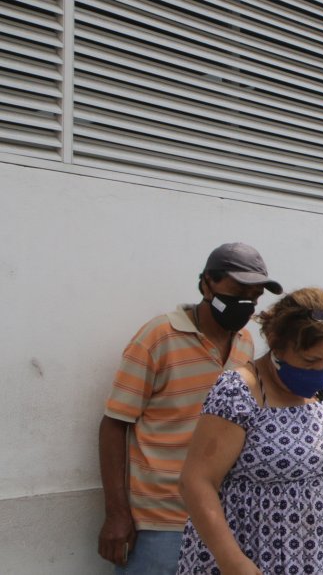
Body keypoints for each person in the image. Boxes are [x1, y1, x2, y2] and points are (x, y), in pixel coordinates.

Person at [98, 243, 281, 573]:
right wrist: (116, 512)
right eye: (238, 290)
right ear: (206, 283)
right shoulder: (158, 337)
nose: (248, 303)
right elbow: (114, 424)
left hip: (223, 520)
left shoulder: (245, 342)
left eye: (255, 295)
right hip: (161, 523)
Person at [177, 287, 323, 574]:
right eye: (309, 361)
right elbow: (196, 482)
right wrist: (232, 560)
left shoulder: (322, 391)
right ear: (276, 344)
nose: (319, 371)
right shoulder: (240, 392)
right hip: (254, 555)